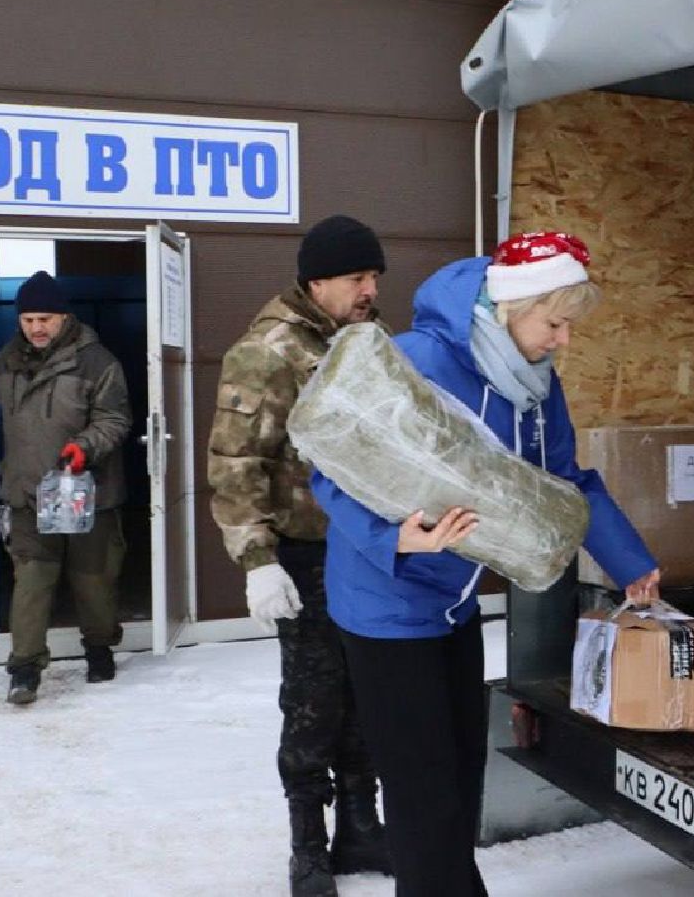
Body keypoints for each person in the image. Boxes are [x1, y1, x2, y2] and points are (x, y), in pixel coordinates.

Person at [312, 231, 661, 897]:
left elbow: (566, 479)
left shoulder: (534, 387)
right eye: (554, 322)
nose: (562, 339)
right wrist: (394, 539)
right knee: (422, 792)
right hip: (385, 601)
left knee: (460, 777)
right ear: (510, 308)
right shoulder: (415, 359)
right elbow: (329, 464)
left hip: (455, 599)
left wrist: (628, 561)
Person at [208, 214, 393, 896]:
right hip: (305, 554)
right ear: (317, 281)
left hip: (367, 552)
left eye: (373, 277)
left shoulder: (368, 343)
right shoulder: (269, 352)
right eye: (357, 278)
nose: (369, 289)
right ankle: (307, 846)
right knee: (313, 704)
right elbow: (235, 463)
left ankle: (360, 827)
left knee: (365, 696)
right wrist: (258, 561)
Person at [0, 270, 131, 704]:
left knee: (93, 579)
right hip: (28, 491)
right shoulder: (6, 361)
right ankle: (25, 669)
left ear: (64, 318)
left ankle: (99, 649)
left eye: (46, 319)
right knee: (31, 580)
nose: (36, 327)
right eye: (29, 319)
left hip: (85, 489)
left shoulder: (97, 361)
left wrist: (84, 447)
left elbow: (115, 419)